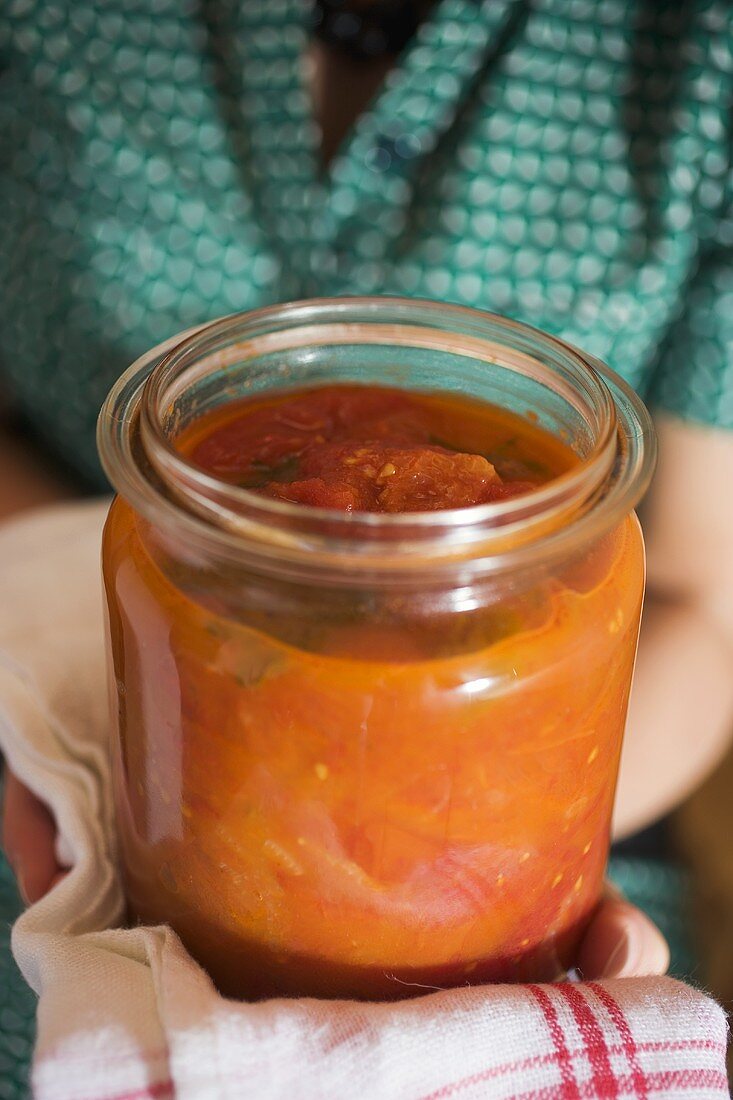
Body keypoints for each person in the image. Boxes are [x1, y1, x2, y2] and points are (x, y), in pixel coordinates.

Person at [2, 0, 733, 1007]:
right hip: (94, 746)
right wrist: (64, 731)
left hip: (580, 813)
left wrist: (488, 862)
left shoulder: (702, 43)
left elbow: (703, 594)